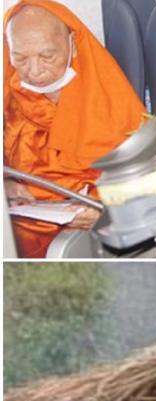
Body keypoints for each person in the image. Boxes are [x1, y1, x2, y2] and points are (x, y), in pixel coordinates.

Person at [3, 0, 145, 257]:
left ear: (73, 45)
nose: (33, 71)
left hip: (79, 232)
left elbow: (145, 181)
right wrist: (7, 184)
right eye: (19, 58)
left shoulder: (111, 101)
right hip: (15, 224)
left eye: (47, 57)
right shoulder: (8, 94)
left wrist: (107, 210)